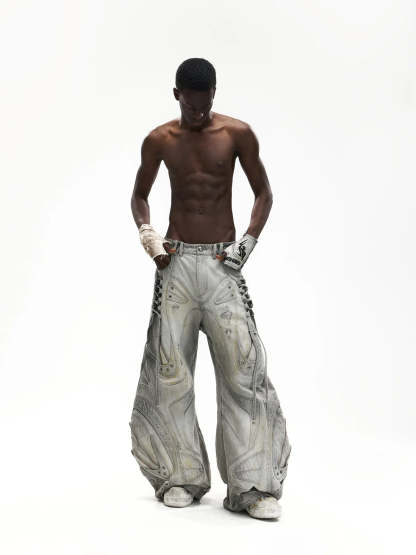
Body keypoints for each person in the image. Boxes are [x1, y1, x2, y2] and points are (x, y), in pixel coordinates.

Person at [129, 57, 292, 520]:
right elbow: (139, 194)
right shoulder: (160, 140)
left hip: (223, 265)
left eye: (206, 105)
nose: (199, 113)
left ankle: (253, 487)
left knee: (244, 370)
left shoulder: (237, 134)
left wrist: (248, 242)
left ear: (214, 94)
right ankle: (180, 477)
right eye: (191, 106)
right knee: (170, 372)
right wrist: (148, 234)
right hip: (176, 263)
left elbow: (263, 192)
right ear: (176, 95)